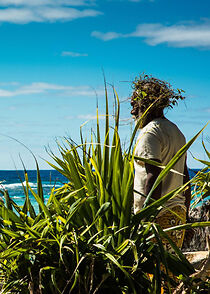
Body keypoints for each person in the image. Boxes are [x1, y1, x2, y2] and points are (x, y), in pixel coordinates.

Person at [130, 74, 191, 252]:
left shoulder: (150, 133)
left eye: (134, 105)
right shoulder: (176, 131)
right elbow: (185, 178)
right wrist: (185, 215)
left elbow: (153, 176)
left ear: (146, 104)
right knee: (168, 275)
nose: (133, 111)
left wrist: (148, 219)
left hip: (158, 216)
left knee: (154, 275)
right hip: (177, 213)